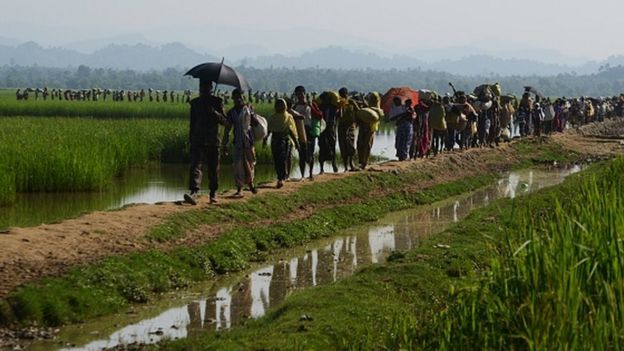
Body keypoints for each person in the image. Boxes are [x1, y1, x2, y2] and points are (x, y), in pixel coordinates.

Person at [184, 80, 228, 205]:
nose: (202, 90)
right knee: (195, 166)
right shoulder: (195, 103)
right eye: (201, 87)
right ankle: (194, 192)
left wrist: (214, 112)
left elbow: (225, 121)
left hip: (213, 140)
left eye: (205, 87)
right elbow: (192, 123)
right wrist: (190, 138)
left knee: (213, 169)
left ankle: (213, 193)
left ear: (211, 88)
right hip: (198, 139)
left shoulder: (217, 102)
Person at [223, 89, 258, 198]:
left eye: (240, 97)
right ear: (232, 98)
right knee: (237, 165)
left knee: (250, 163)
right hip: (237, 142)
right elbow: (227, 129)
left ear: (243, 97)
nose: (238, 99)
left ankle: (251, 183)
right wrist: (225, 144)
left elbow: (255, 124)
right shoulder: (231, 113)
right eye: (236, 97)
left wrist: (252, 114)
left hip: (248, 141)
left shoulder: (248, 109)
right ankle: (239, 189)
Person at [265, 99, 299, 188]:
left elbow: (291, 130)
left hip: (285, 140)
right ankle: (280, 176)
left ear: (285, 106)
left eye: (281, 105)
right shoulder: (272, 117)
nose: (280, 107)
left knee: (283, 159)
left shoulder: (289, 117)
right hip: (275, 140)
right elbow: (268, 130)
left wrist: (296, 142)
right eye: (278, 105)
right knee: (276, 159)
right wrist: (265, 139)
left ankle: (281, 178)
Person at [289, 86, 322, 180]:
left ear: (304, 93)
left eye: (301, 94)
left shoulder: (311, 105)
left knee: (310, 152)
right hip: (299, 132)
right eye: (297, 94)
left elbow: (319, 116)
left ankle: (311, 174)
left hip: (309, 131)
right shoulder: (295, 107)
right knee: (301, 154)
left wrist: (311, 106)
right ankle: (302, 175)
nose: (299, 96)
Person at [337, 87, 358, 171]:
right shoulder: (339, 103)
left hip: (351, 126)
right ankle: (345, 166)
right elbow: (339, 115)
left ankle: (351, 163)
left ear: (347, 94)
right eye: (341, 95)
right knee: (343, 145)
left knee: (351, 144)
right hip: (342, 126)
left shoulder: (352, 102)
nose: (343, 96)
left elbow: (358, 111)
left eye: (344, 95)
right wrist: (341, 106)